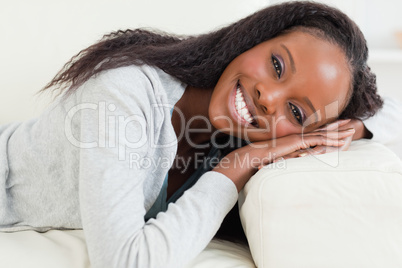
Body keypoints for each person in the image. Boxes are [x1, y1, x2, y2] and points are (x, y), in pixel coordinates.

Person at [0, 1, 401, 267]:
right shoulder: (123, 93)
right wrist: (235, 168)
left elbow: (395, 115)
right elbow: (125, 262)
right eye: (277, 65)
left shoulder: (232, 138)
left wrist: (354, 126)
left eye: (295, 111)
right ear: (252, 40)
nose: (268, 97)